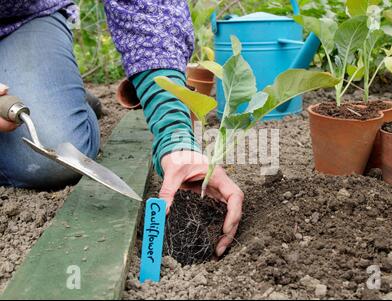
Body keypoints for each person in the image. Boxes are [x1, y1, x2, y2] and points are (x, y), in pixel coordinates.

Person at [0, 1, 243, 257]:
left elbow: (148, 9)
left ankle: (61, 97)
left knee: (47, 160)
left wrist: (174, 135)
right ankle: (58, 94)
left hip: (19, 20)